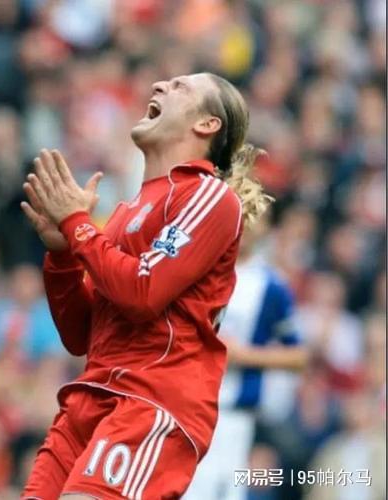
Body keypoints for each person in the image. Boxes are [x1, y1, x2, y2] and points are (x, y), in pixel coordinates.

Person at [20, 73, 272, 499]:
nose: (159, 86)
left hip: (150, 400)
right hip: (90, 397)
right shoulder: (125, 212)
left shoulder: (209, 197)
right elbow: (81, 335)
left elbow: (143, 293)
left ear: (207, 124)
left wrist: (77, 224)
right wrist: (62, 255)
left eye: (180, 87)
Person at [183, 218, 308, 500]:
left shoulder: (271, 286)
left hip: (234, 417)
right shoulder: (198, 270)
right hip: (186, 407)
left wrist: (242, 355)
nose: (247, 227)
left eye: (256, 218)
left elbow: (298, 357)